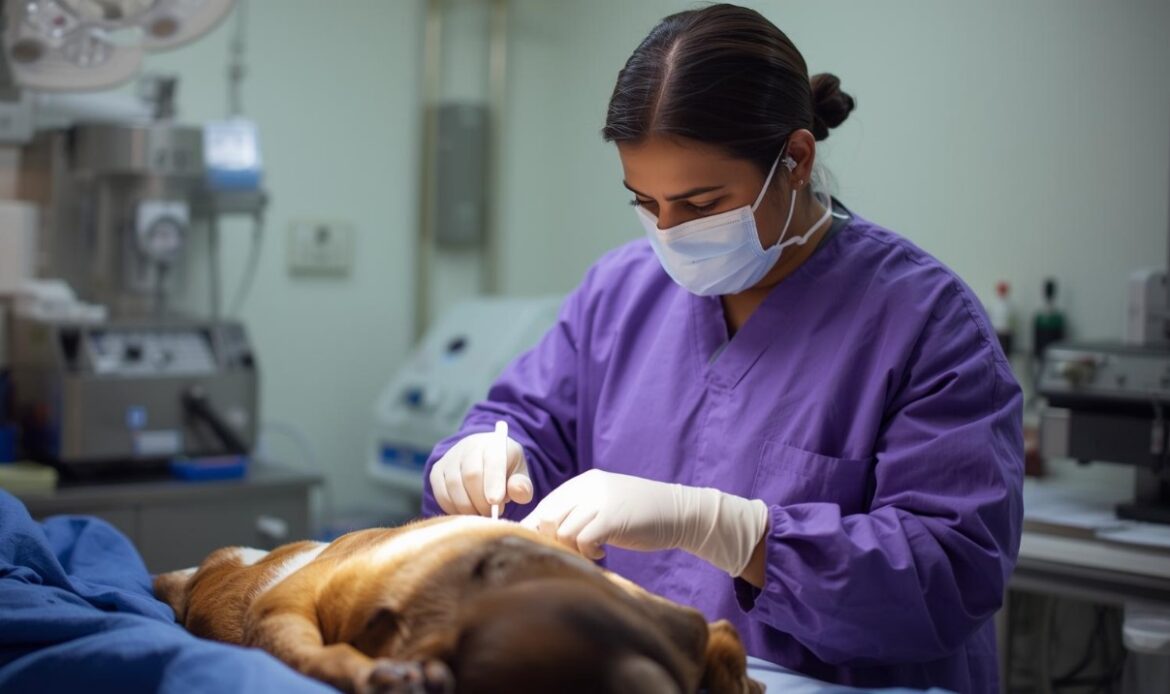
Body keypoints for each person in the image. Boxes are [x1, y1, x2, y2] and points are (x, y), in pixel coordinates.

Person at [422, 4, 1023, 692]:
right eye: (645, 204)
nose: (669, 232)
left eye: (702, 205)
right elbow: (525, 423)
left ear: (795, 160)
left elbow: (948, 574)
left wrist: (733, 532)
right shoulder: (620, 292)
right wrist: (475, 459)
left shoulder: (925, 322)